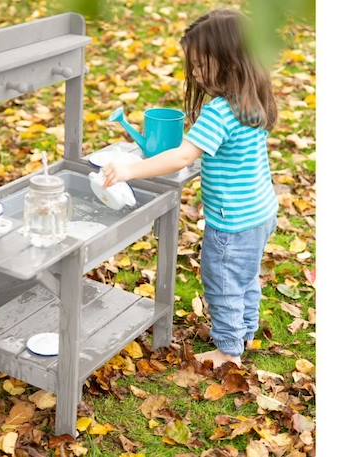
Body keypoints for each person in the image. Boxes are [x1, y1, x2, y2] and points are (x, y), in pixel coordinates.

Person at [103, 9, 279, 368]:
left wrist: (128, 170)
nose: (195, 73)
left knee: (223, 281)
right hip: (261, 212)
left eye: (201, 65)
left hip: (232, 222)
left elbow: (181, 157)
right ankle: (245, 329)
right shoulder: (254, 99)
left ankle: (228, 351)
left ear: (229, 61)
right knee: (245, 276)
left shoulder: (219, 112)